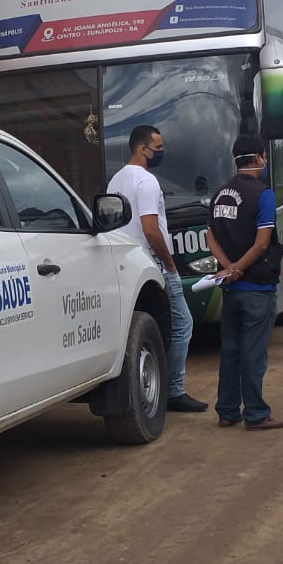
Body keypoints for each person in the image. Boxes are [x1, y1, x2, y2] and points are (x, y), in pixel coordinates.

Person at [108, 124, 206, 413]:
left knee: (144, 330)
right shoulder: (147, 181)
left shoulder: (115, 181)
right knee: (182, 324)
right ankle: (174, 389)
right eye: (158, 148)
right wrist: (170, 263)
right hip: (155, 264)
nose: (161, 153)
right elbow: (151, 229)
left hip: (128, 265)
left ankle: (154, 387)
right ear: (143, 149)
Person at [206, 134, 283, 431]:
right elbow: (263, 243)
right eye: (263, 157)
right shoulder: (263, 194)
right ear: (258, 158)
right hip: (257, 287)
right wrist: (240, 267)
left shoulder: (219, 193)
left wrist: (227, 268)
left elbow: (210, 236)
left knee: (230, 351)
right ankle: (256, 413)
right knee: (254, 353)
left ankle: (227, 411)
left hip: (230, 288)